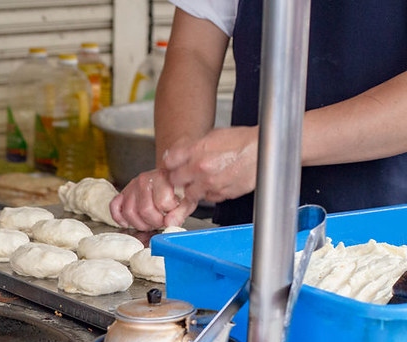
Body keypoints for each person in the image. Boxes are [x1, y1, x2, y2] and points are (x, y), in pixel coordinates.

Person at [110, 1, 407, 231]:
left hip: (388, 227)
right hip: (248, 223)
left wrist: (276, 146)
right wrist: (181, 163)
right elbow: (194, 51)